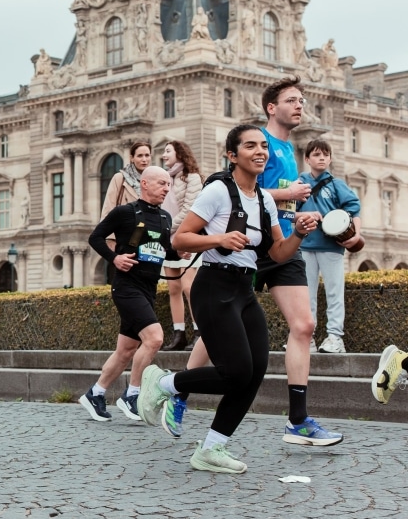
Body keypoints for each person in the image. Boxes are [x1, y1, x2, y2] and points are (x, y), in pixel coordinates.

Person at [138, 125, 322, 474]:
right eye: (250, 146)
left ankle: (211, 448)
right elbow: (180, 239)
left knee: (253, 373)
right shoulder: (219, 191)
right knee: (236, 371)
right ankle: (163, 383)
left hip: (243, 289)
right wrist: (219, 239)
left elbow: (279, 252)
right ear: (232, 155)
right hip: (213, 287)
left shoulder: (266, 200)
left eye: (264, 146)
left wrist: (299, 233)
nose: (260, 151)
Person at [255, 76, 343, 444]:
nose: (300, 105)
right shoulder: (259, 141)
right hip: (251, 243)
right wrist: (287, 193)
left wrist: (301, 216)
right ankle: (173, 389)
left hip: (286, 240)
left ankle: (298, 420)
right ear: (272, 107)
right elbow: (241, 191)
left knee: (305, 325)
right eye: (292, 100)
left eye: (302, 100)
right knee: (217, 331)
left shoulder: (289, 148)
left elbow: (281, 203)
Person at [81, 166, 173, 422]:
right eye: (162, 183)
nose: (167, 188)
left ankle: (96, 393)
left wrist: (182, 253)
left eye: (169, 184)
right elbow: (95, 237)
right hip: (126, 287)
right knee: (154, 339)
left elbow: (165, 250)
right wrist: (114, 258)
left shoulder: (166, 218)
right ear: (144, 184)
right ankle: (132, 395)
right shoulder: (125, 212)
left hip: (148, 288)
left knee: (126, 349)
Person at [297, 139, 362, 354]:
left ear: (331, 158)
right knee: (307, 295)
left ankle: (335, 337)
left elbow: (354, 209)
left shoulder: (337, 184)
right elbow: (287, 213)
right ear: (307, 159)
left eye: (325, 154)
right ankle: (309, 337)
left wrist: (357, 234)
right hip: (305, 245)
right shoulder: (298, 185)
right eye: (316, 154)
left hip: (331, 246)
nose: (322, 158)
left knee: (335, 292)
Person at [160, 140, 203, 351]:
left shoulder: (192, 177)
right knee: (174, 288)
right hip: (169, 240)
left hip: (187, 236)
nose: (163, 155)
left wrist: (168, 229)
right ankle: (179, 334)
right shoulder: (165, 178)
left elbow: (191, 209)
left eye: (168, 151)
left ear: (180, 153)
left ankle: (199, 331)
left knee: (189, 286)